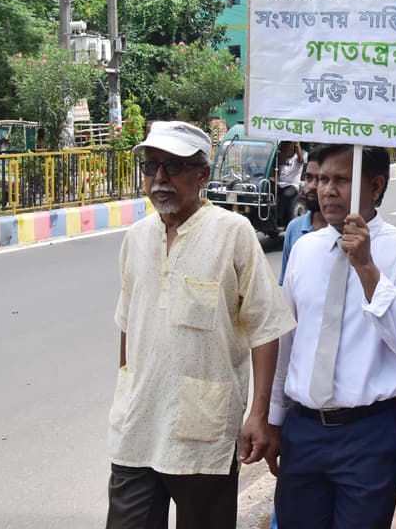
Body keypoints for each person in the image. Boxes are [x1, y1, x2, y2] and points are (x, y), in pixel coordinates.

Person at [106, 121, 296, 529]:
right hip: (136, 427)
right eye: (151, 166)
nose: (159, 179)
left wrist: (259, 415)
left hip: (202, 432)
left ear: (202, 175)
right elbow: (128, 323)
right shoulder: (136, 238)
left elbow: (266, 328)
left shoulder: (233, 233)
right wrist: (125, 390)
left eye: (172, 167)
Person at [270, 144, 396, 529]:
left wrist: (367, 269)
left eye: (341, 180)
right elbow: (287, 343)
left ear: (375, 185)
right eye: (322, 179)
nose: (326, 190)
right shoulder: (305, 250)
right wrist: (273, 418)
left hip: (370, 434)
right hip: (305, 430)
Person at [279, 146, 327, 285]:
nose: (312, 186)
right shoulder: (294, 228)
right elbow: (287, 284)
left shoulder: (348, 233)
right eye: (308, 178)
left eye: (321, 179)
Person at [276, 141, 304, 224]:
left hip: (292, 185)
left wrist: (297, 144)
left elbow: (301, 159)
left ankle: (279, 218)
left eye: (288, 147)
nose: (286, 149)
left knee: (285, 195)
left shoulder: (297, 158)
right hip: (280, 184)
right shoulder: (281, 158)